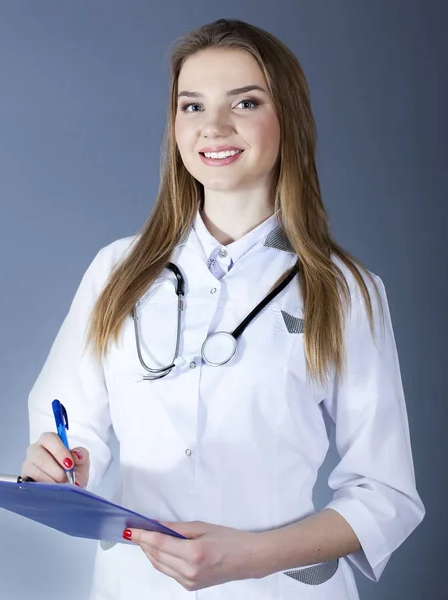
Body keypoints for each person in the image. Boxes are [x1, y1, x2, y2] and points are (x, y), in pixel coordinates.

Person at [21, 18, 425, 599]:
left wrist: (254, 557)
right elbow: (67, 424)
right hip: (137, 587)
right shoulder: (116, 270)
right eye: (192, 106)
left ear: (288, 118)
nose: (213, 127)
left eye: (245, 102)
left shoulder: (345, 289)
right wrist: (60, 463)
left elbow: (385, 494)